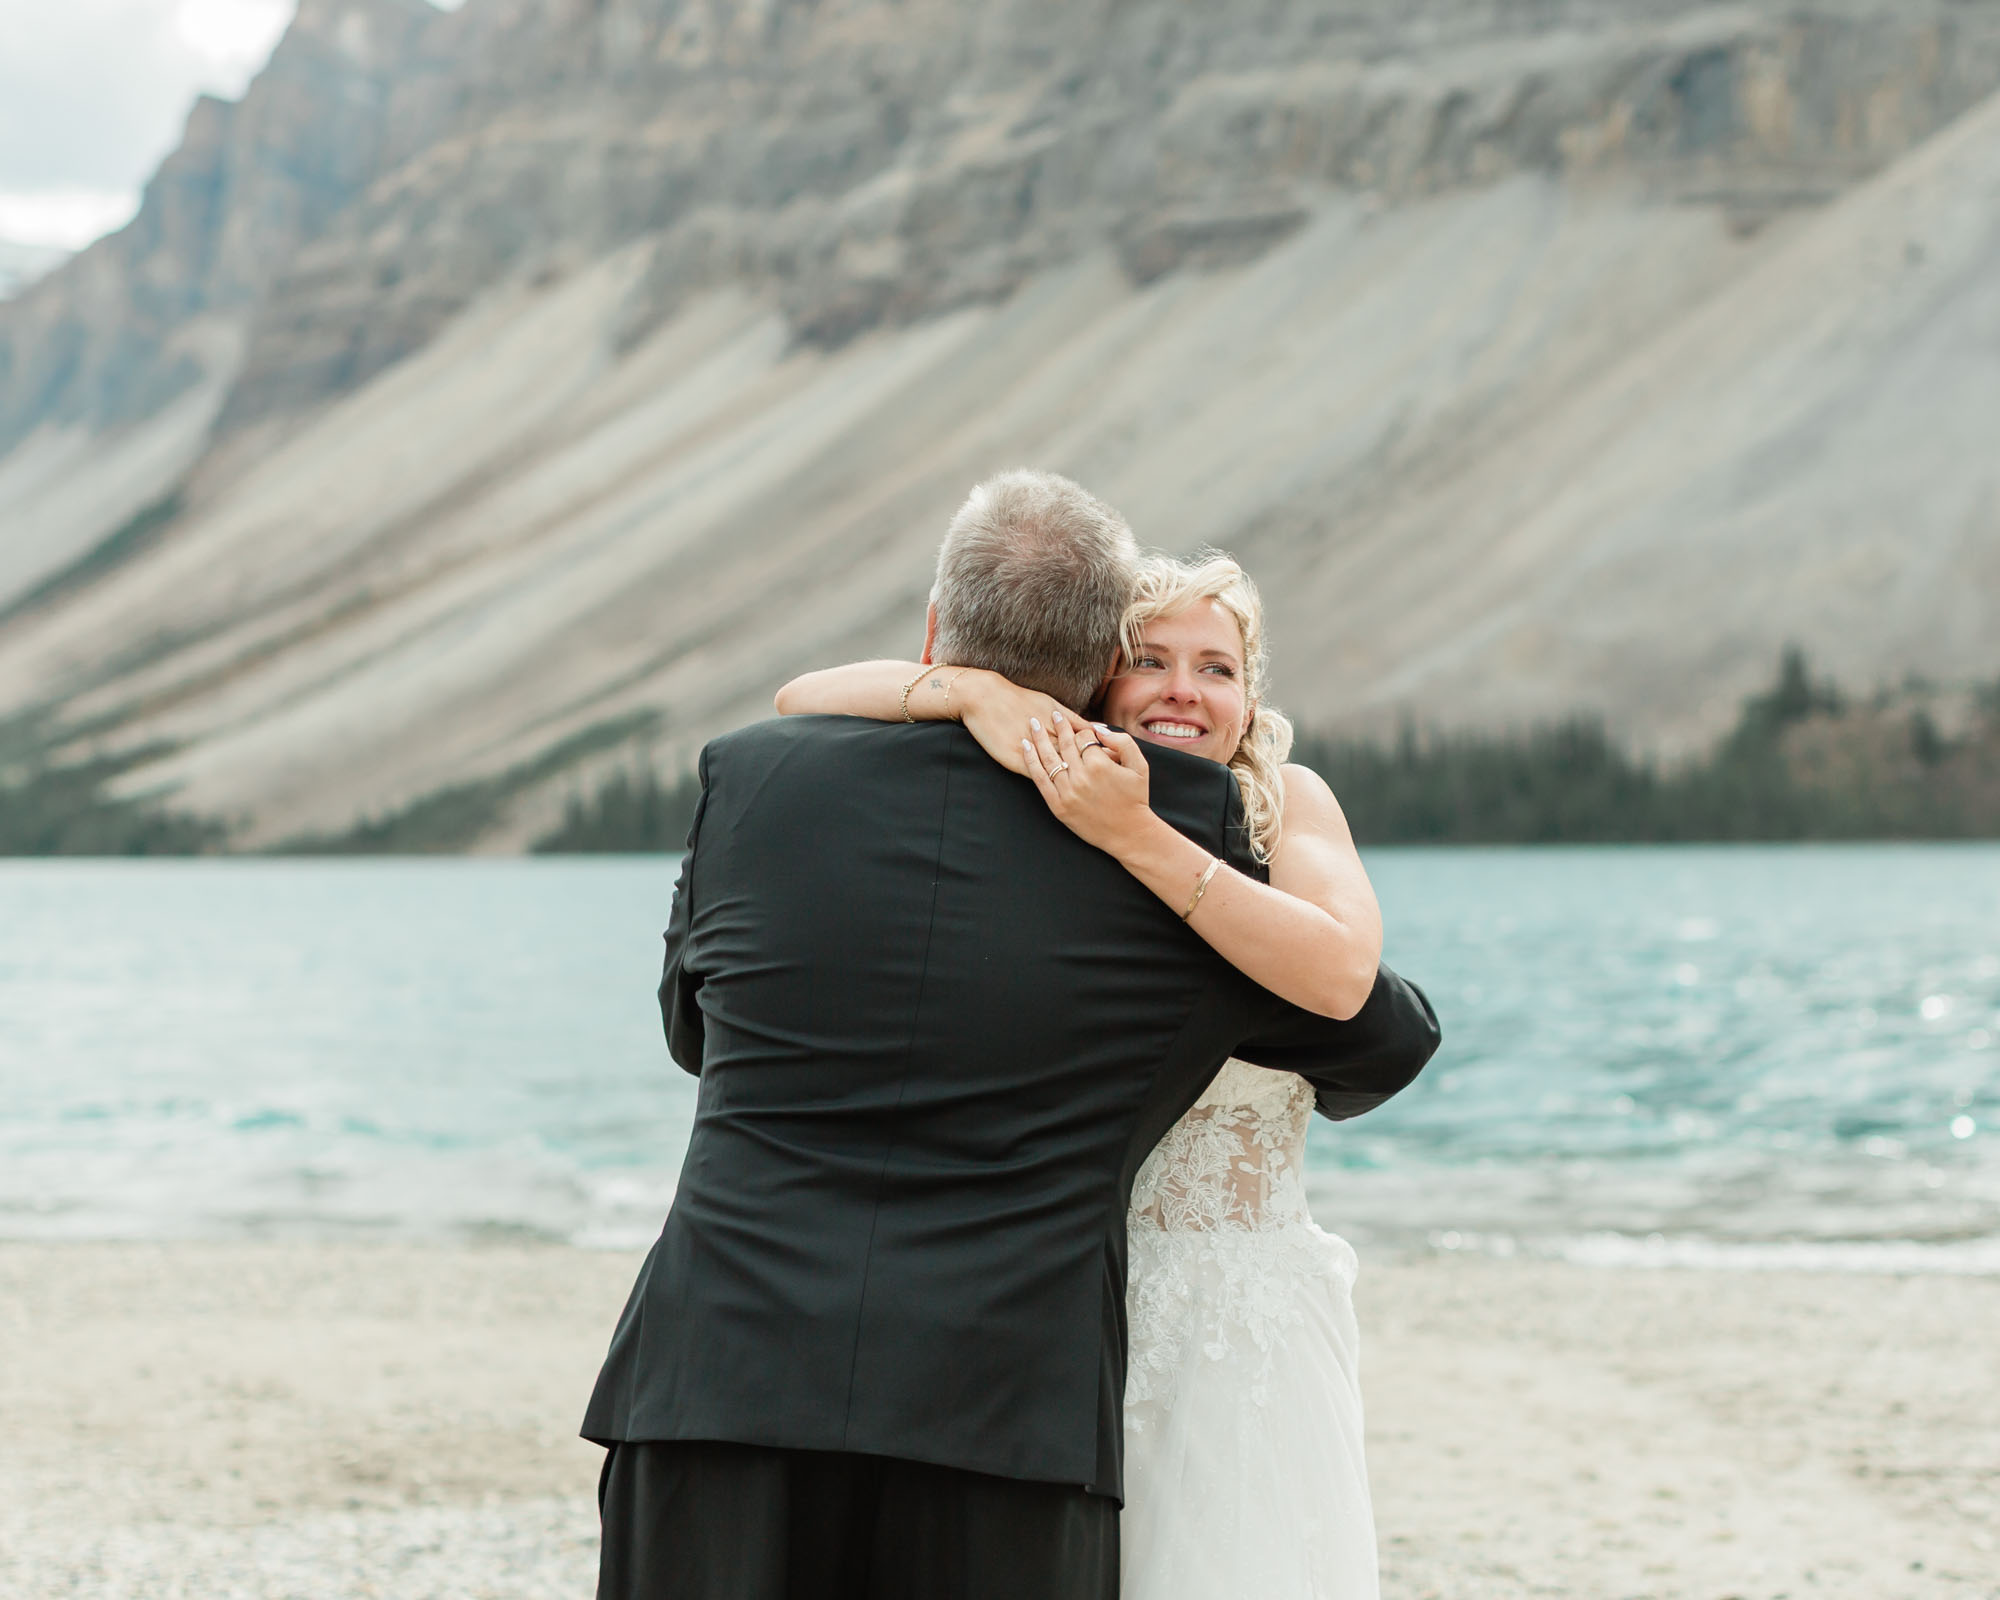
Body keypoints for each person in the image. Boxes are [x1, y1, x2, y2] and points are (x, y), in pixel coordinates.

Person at [582, 469, 1439, 1600]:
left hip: (713, 1376)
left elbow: (694, 1030)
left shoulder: (746, 774)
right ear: (1098, 673)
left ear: (938, 634)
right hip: (999, 1413)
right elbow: (1375, 1034)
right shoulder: (1175, 831)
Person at [780, 550, 1391, 1597]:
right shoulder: (1041, 781)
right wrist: (972, 689)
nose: (1182, 691)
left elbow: (1340, 979)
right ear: (1100, 680)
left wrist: (1136, 835)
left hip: (1236, 1304)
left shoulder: (1287, 805)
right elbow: (798, 698)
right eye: (1149, 659)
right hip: (1068, 1301)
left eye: (1216, 667)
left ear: (1250, 697)